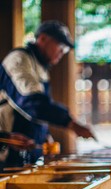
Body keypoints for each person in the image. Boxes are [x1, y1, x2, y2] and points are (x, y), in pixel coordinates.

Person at [0, 20, 96, 167]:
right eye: (61, 45)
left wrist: (44, 135)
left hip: (27, 152)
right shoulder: (19, 59)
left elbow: (41, 111)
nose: (62, 52)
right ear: (43, 38)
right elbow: (33, 104)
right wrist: (70, 123)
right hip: (7, 150)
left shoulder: (41, 67)